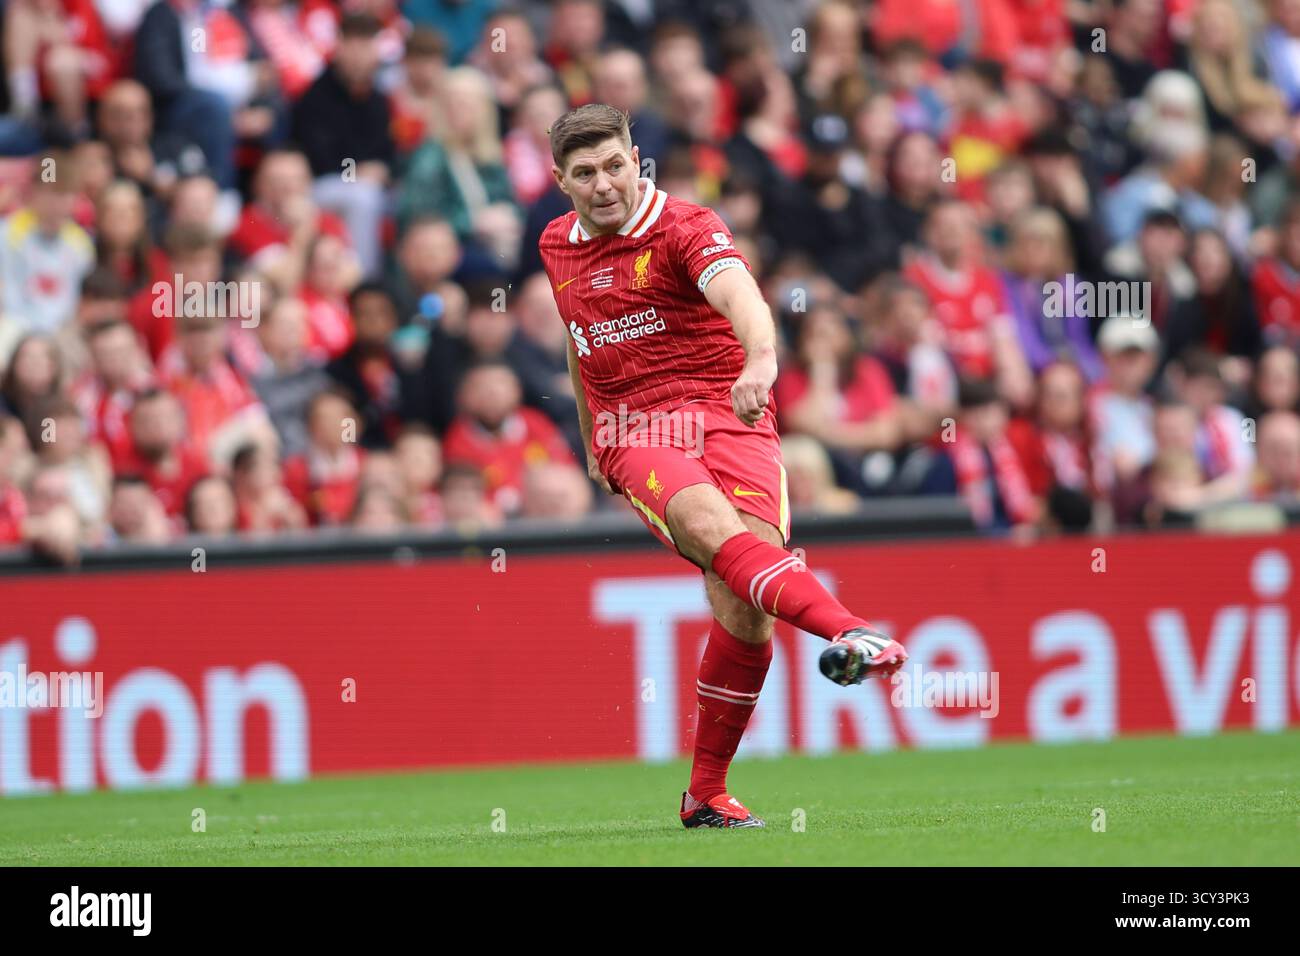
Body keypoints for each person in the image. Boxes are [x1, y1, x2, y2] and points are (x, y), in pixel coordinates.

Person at [538, 104, 908, 830]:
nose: (604, 184)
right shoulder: (556, 245)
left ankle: (705, 792)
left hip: (729, 408)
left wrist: (762, 359)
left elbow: (741, 296)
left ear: (635, 158)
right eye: (585, 173)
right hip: (634, 426)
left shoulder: (686, 225)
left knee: (746, 604)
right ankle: (849, 630)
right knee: (713, 531)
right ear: (560, 181)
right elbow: (578, 341)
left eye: (614, 165)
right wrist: (590, 438)